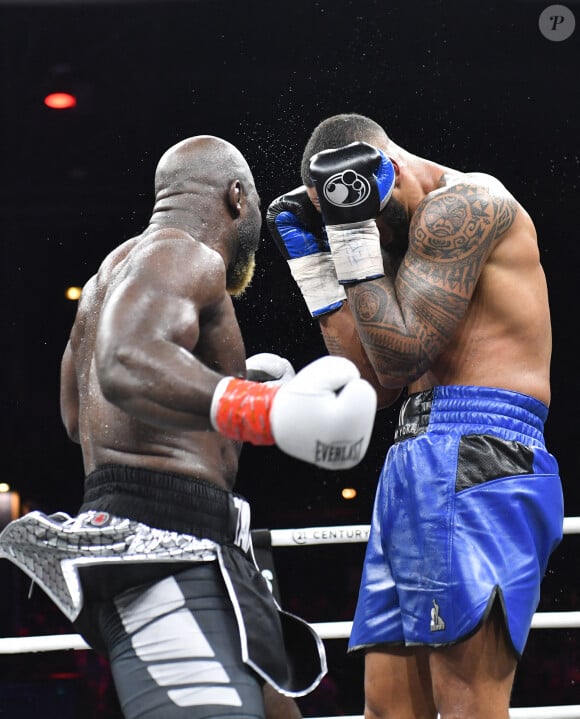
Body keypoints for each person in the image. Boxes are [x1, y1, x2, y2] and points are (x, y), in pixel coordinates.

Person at [0, 134, 379, 719]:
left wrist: (240, 381)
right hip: (164, 541)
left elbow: (79, 418)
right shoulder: (188, 255)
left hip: (194, 541)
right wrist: (263, 410)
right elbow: (127, 362)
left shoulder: (114, 274)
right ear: (237, 198)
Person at [266, 113, 564, 719]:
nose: (366, 237)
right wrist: (314, 264)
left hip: (479, 456)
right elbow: (372, 382)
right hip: (414, 462)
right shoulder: (401, 238)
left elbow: (399, 359)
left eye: (366, 219)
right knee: (388, 709)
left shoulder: (466, 206)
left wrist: (350, 237)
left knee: (465, 706)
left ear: (387, 173)